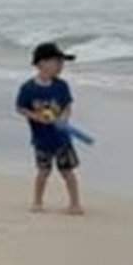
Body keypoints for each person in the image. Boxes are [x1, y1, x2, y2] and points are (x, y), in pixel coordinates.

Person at [16, 42, 84, 215]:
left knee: (68, 172)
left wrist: (64, 119)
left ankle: (75, 204)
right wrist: (37, 117)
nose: (61, 66)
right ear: (42, 63)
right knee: (43, 171)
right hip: (41, 139)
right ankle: (37, 202)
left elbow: (67, 106)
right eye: (57, 62)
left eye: (62, 63)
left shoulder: (61, 86)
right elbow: (20, 108)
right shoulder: (28, 88)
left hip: (62, 139)